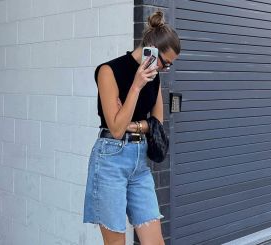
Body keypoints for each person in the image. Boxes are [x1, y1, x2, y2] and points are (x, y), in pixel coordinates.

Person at [83, 10, 181, 245]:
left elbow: (157, 122)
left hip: (139, 163)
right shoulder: (109, 71)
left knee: (155, 241)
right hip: (110, 160)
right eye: (165, 63)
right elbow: (116, 130)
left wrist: (133, 124)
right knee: (117, 242)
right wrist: (136, 87)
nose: (165, 69)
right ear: (152, 49)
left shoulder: (154, 77)